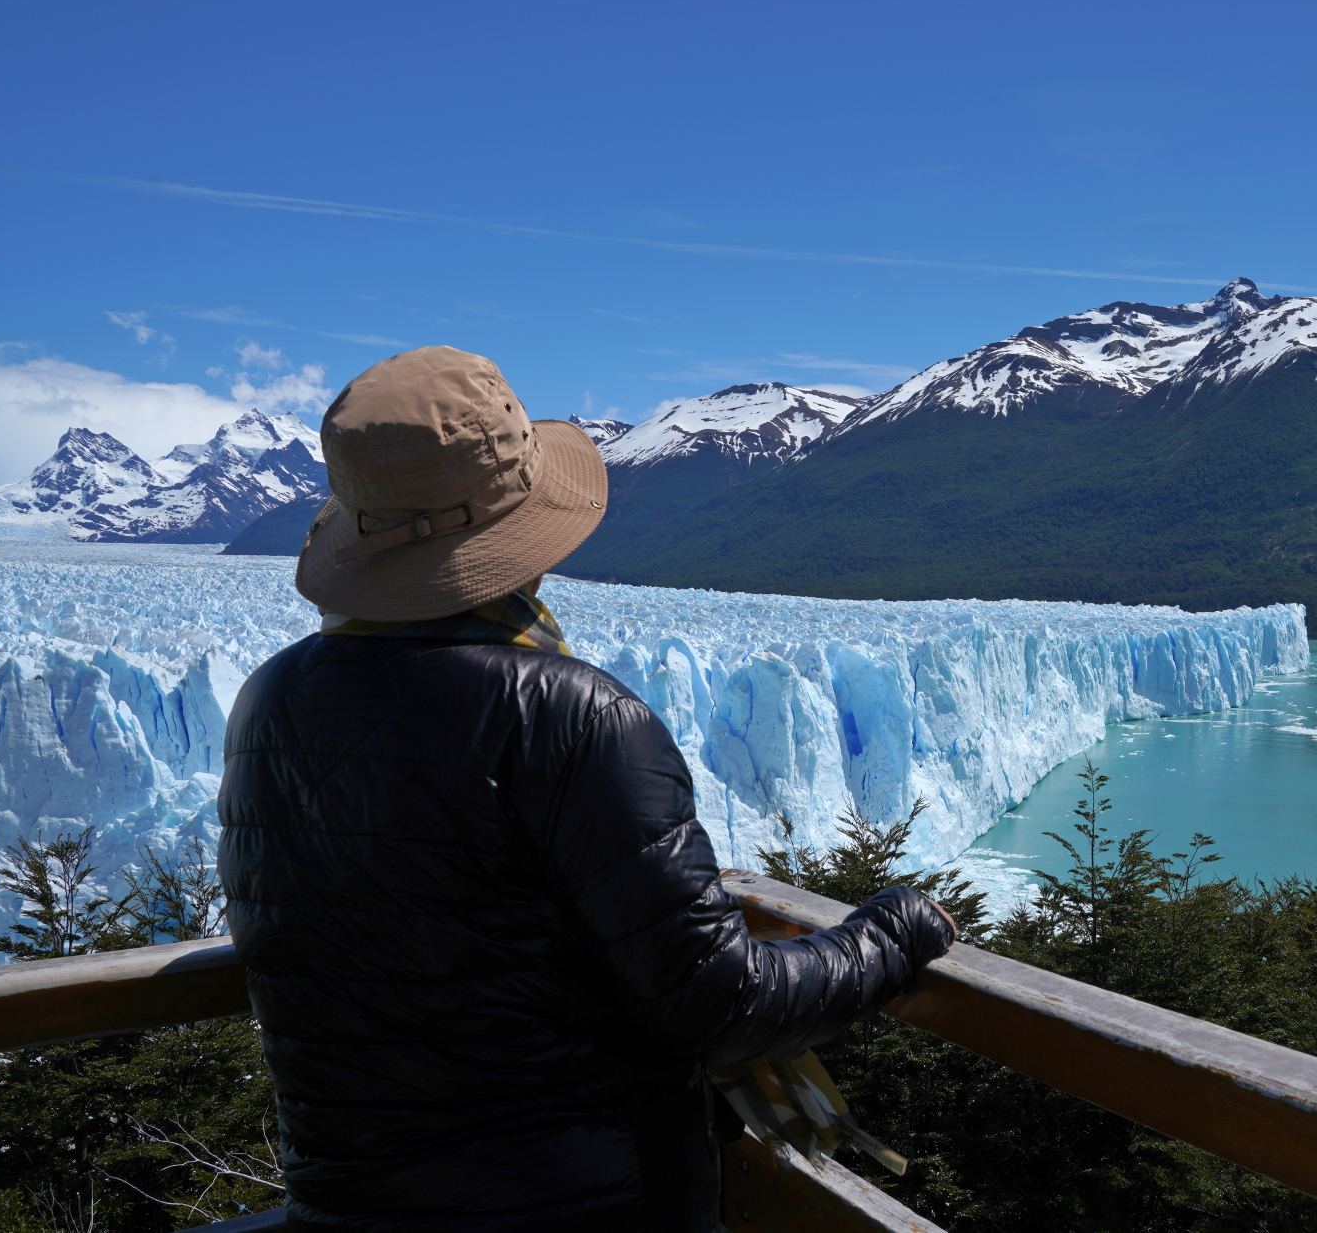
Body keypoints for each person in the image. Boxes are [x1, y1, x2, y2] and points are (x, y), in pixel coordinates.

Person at [218, 346, 956, 1232]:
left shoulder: (269, 700)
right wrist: (890, 932)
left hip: (347, 1208)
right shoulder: (572, 715)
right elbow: (720, 1000)